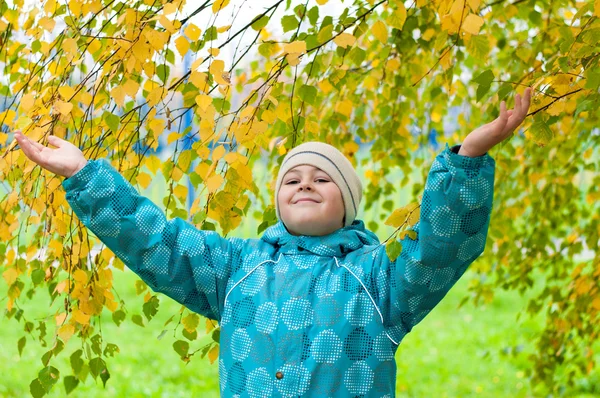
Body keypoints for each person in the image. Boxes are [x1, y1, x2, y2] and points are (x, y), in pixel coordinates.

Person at [14, 88, 532, 397]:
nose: (305, 183)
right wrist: (84, 174)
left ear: (348, 204)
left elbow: (440, 250)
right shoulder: (238, 268)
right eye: (291, 178)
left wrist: (466, 160)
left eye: (322, 178)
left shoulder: (378, 279)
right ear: (278, 200)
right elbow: (158, 243)